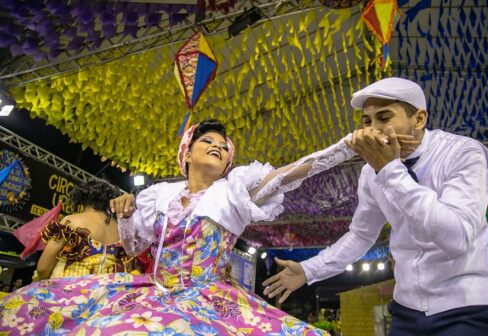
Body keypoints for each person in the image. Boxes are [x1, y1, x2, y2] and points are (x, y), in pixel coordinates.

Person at [3, 119, 416, 335]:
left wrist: (344, 147)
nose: (218, 146)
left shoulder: (234, 193)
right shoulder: (157, 196)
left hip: (210, 297)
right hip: (154, 293)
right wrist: (126, 213)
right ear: (186, 154)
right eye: (208, 142)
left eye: (223, 146)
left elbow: (291, 173)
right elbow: (130, 249)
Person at [263, 77, 488, 336]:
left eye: (384, 118)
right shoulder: (371, 173)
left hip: (466, 307)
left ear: (419, 119)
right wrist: (309, 270)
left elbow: (456, 236)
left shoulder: (462, 153)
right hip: (407, 309)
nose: (373, 131)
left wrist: (390, 170)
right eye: (367, 122)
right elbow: (361, 235)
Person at [33, 180, 136, 281]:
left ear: (82, 199)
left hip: (67, 293)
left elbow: (42, 268)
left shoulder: (72, 222)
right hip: (106, 295)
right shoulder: (121, 230)